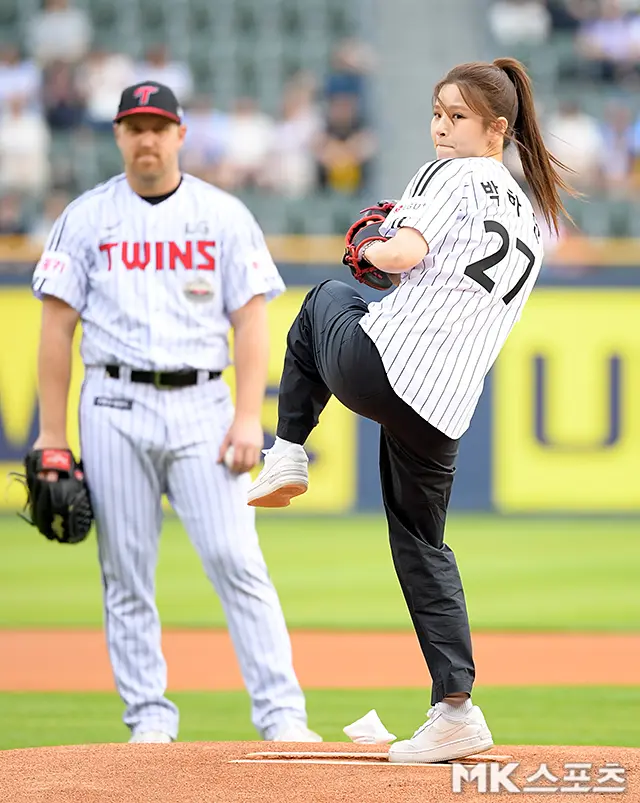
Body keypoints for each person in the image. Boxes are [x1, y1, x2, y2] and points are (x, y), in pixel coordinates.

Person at [248, 58, 572, 763]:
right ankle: (456, 706)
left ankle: (287, 452)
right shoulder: (531, 214)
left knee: (324, 300)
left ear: (496, 129)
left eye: (457, 117)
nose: (440, 128)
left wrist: (368, 243)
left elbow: (397, 255)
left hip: (385, 365)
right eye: (436, 112)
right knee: (424, 545)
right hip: (446, 405)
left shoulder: (450, 174)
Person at [30, 81, 321, 745]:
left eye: (159, 126)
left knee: (235, 558)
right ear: (118, 135)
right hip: (113, 400)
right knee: (125, 568)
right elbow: (55, 329)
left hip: (201, 405)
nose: (147, 139)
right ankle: (150, 719)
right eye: (135, 127)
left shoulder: (222, 214)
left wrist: (250, 417)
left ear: (181, 134)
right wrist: (52, 436)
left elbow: (251, 320)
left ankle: (282, 715)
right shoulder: (86, 216)